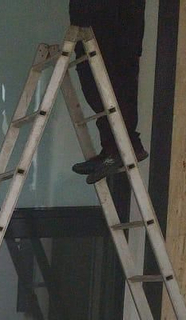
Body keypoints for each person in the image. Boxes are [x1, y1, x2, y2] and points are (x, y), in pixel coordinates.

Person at [70, 0, 148, 184]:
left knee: (111, 79)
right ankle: (114, 147)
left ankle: (121, 147)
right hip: (103, 15)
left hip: (111, 14)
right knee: (98, 80)